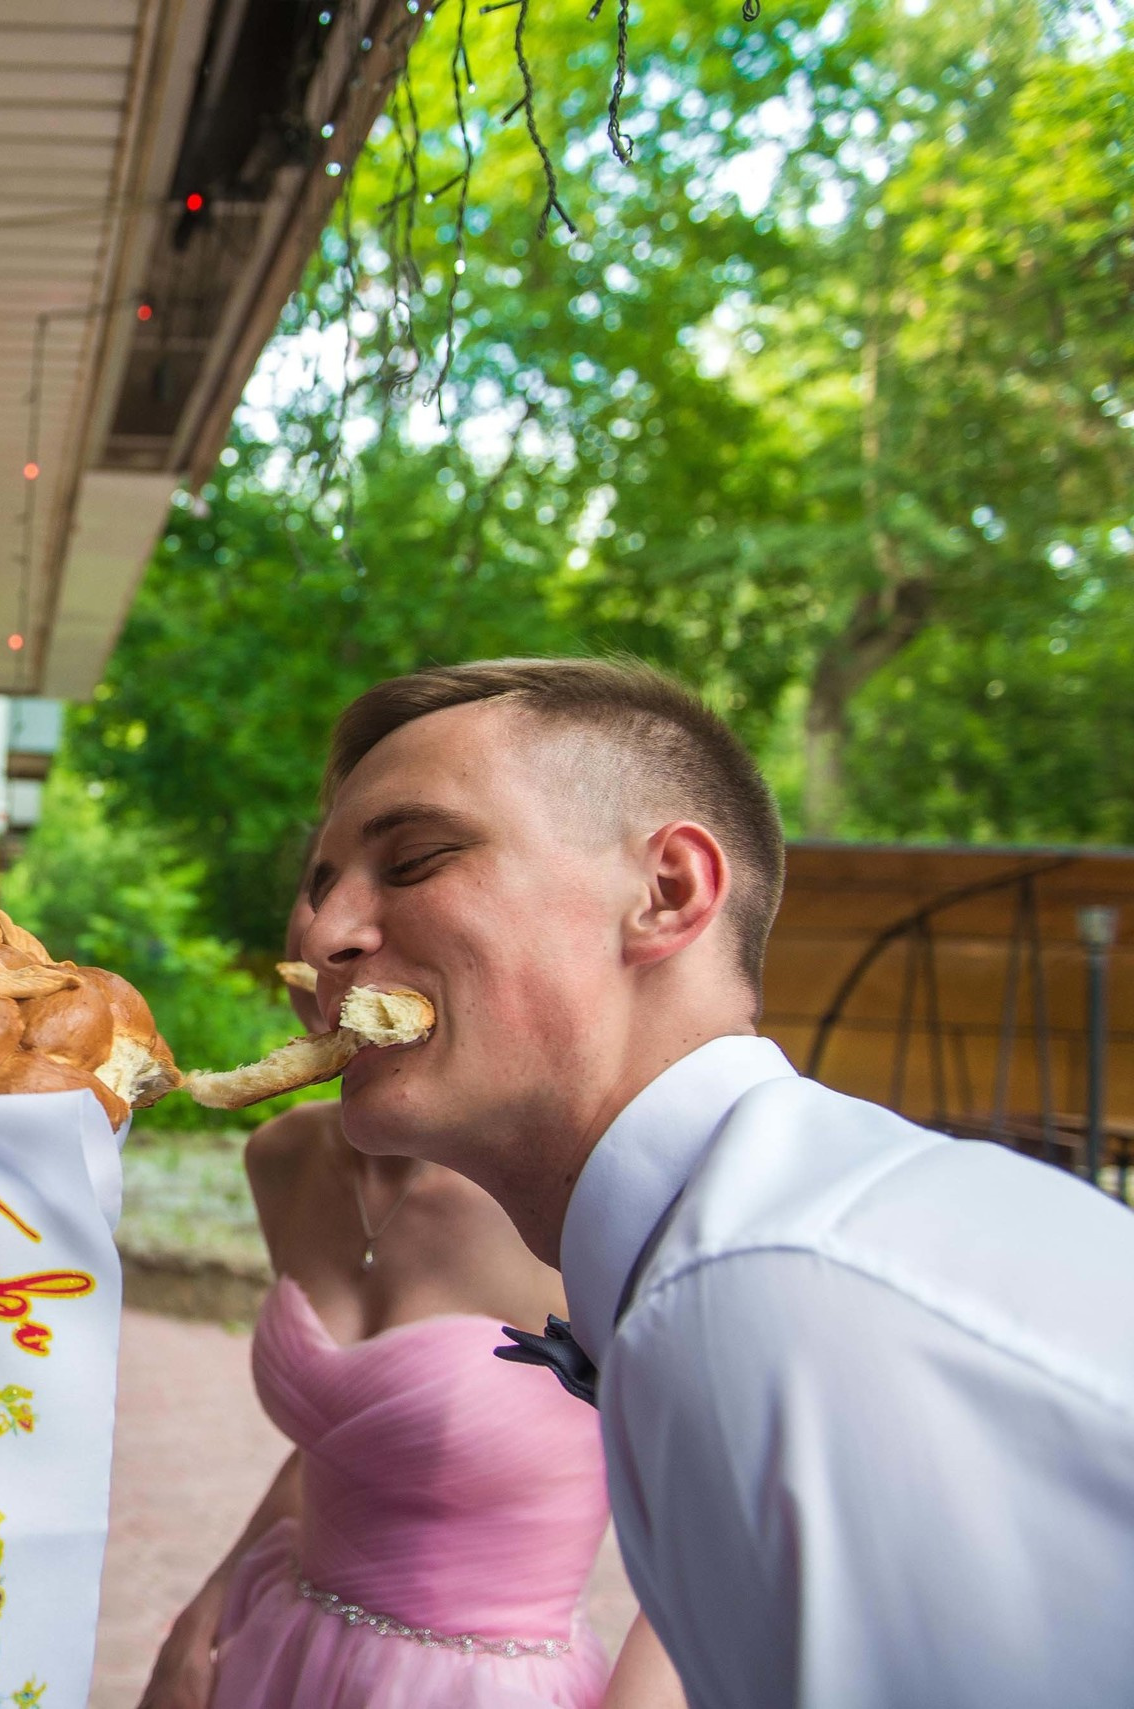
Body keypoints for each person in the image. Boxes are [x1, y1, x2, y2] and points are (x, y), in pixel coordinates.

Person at [299, 657, 1134, 1708]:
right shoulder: (743, 1242)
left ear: (666, 893)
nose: (322, 934)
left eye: (414, 859)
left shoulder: (767, 1294)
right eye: (319, 885)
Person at [140, 915, 681, 1709]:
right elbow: (355, 1442)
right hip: (281, 1648)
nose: (340, 929)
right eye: (320, 883)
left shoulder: (591, 1196)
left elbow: (722, 1542)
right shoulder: (284, 1160)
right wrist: (211, 1603)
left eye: (409, 864)